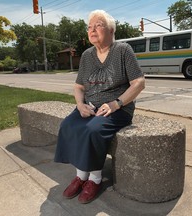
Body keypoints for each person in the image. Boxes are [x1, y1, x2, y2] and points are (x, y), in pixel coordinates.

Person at [54, 9, 145, 204]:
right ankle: (81, 176)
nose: (92, 30)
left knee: (92, 130)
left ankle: (94, 180)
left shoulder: (123, 50)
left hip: (118, 108)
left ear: (111, 30)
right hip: (90, 105)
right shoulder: (87, 55)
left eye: (98, 25)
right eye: (89, 27)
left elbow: (139, 82)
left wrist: (117, 103)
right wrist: (80, 105)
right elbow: (79, 86)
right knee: (68, 125)